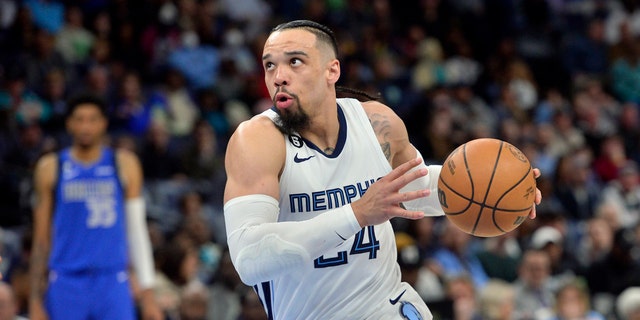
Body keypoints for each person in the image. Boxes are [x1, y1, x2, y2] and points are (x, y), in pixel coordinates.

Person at [223, 19, 542, 319]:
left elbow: (413, 191)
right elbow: (250, 259)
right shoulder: (257, 141)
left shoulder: (378, 124)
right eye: (269, 65)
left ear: (331, 70)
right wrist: (357, 214)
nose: (278, 75)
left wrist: (503, 188)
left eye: (294, 61)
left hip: (387, 306)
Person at [28, 93, 163, 320]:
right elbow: (41, 238)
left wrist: (147, 294)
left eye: (92, 119)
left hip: (112, 279)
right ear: (69, 123)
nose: (85, 126)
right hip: (65, 279)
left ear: (104, 123)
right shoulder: (51, 167)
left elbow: (137, 231)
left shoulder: (124, 164)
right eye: (79, 119)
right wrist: (34, 299)